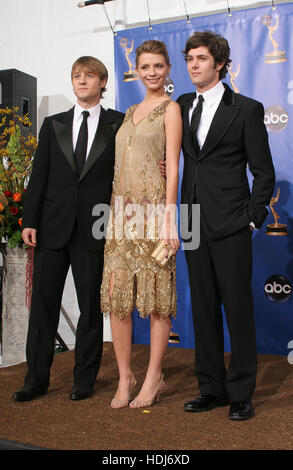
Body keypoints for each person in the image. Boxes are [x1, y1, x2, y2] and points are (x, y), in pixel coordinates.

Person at [12, 56, 124, 402]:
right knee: (43, 305)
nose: (81, 81)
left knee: (90, 307)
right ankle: (36, 379)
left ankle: (84, 379)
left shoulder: (118, 125)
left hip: (95, 227)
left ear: (102, 82)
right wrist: (29, 220)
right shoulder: (53, 124)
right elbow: (39, 176)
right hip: (51, 227)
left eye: (89, 76)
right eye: (77, 76)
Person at [177, 31, 275, 420]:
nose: (193, 65)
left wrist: (253, 217)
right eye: (189, 59)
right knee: (201, 309)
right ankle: (211, 388)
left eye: (201, 59)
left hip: (232, 222)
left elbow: (263, 172)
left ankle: (240, 392)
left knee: (237, 309)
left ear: (219, 63)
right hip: (192, 221)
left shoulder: (246, 109)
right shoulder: (181, 105)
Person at [100, 40, 182, 409]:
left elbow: (174, 166)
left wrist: (170, 217)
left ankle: (153, 377)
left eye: (157, 66)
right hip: (120, 218)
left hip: (153, 216)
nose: (151, 73)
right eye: (145, 66)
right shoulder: (129, 110)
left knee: (157, 300)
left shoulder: (171, 108)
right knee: (118, 298)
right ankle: (125, 376)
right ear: (136, 68)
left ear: (167, 70)